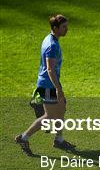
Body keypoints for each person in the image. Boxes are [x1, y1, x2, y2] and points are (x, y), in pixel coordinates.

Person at [15, 14, 76, 156]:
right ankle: (23, 138)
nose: (67, 29)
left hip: (50, 84)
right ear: (55, 28)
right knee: (49, 116)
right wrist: (58, 89)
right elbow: (50, 69)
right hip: (48, 86)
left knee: (61, 109)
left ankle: (59, 140)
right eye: (64, 27)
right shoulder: (52, 46)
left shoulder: (49, 39)